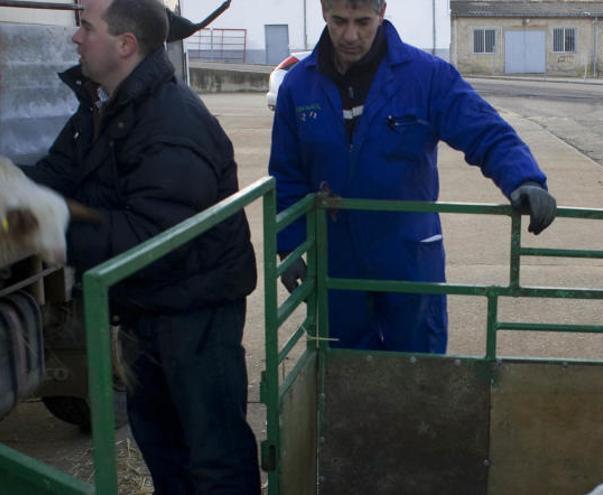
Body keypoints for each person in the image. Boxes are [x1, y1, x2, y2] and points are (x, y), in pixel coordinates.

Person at [21, 0, 260, 492]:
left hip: (195, 312)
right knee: (163, 449)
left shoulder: (172, 124)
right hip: (145, 308)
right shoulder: (102, 107)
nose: (75, 38)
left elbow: (152, 240)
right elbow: (54, 178)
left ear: (125, 45)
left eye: (86, 26)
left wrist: (47, 229)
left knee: (214, 457)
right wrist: (13, 191)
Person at [269, 0, 557, 354]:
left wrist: (523, 178)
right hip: (335, 257)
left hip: (407, 253)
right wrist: (290, 244)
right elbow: (286, 173)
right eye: (339, 21)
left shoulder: (426, 76)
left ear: (381, 12)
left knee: (419, 366)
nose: (350, 35)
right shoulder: (299, 87)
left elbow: (484, 130)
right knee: (342, 369)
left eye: (362, 22)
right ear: (324, 11)